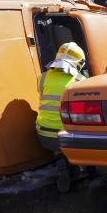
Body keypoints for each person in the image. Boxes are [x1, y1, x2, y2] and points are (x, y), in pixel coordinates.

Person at [35, 41, 87, 192]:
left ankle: (60, 161)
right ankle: (79, 168)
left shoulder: (43, 77)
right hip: (67, 137)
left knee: (55, 137)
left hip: (43, 135)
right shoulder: (80, 81)